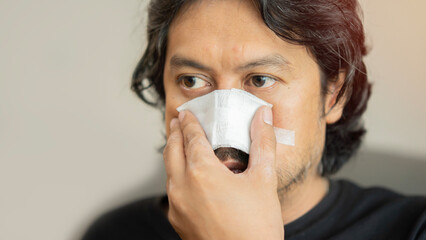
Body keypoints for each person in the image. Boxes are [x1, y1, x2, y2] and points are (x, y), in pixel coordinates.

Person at [82, 0, 426, 239]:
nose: (224, 122)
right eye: (191, 81)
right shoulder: (115, 234)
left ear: (333, 95)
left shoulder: (412, 229)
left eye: (260, 79)